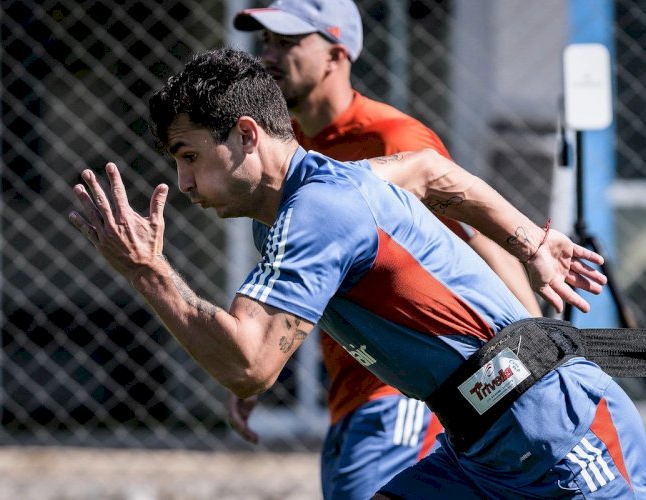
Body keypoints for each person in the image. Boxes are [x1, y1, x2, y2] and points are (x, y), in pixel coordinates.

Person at [68, 48, 646, 498]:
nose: (185, 182)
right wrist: (531, 242)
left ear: (247, 135)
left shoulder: (318, 209)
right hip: (483, 445)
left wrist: (146, 270)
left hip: (558, 428)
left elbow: (250, 364)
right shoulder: (319, 193)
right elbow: (427, 172)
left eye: (189, 155)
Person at [230, 2, 542, 497]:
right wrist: (263, 360)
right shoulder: (288, 147)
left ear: (336, 54)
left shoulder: (392, 137)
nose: (268, 55)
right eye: (265, 41)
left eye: (287, 43)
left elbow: (478, 233)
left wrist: (538, 348)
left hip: (402, 392)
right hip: (349, 394)